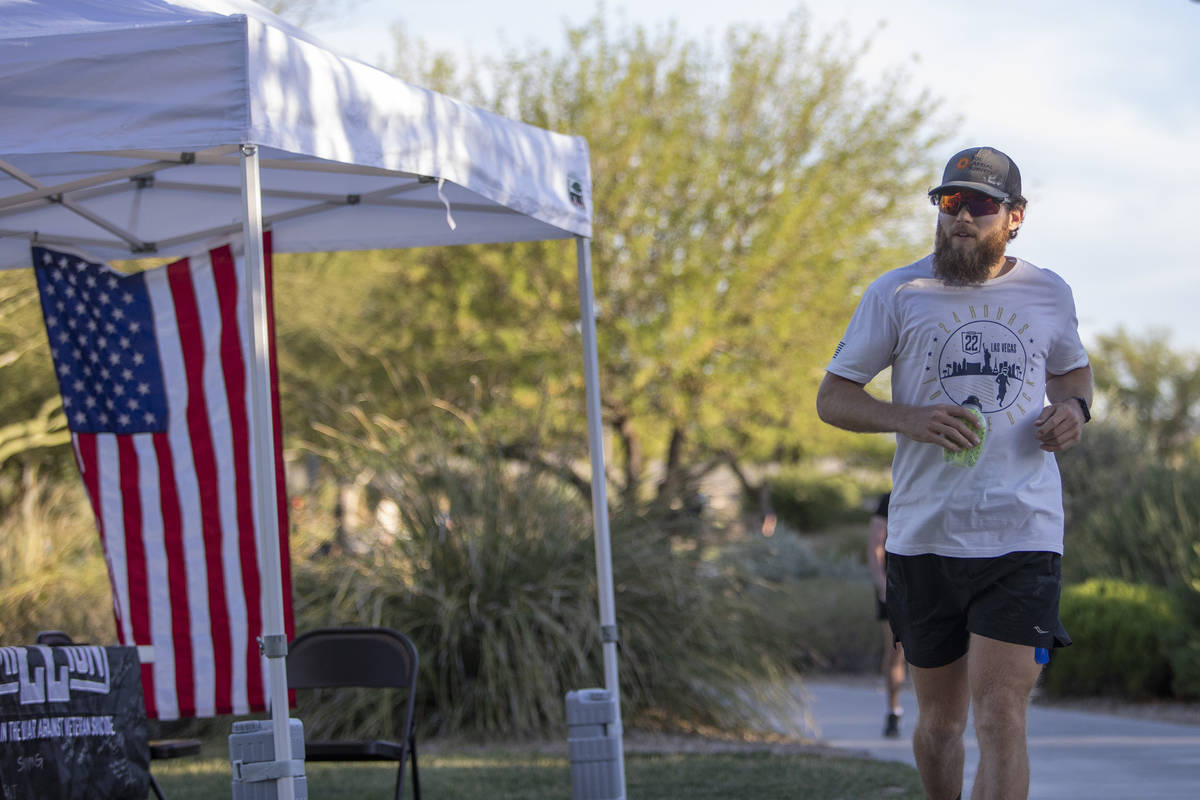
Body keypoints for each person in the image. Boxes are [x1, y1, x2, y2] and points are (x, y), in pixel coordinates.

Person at [815, 146, 1093, 800]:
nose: (961, 217)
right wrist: (907, 418)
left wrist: (1075, 410)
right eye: (949, 203)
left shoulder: (1048, 293)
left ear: (1015, 217)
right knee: (942, 724)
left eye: (979, 205)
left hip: (1022, 532)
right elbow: (833, 397)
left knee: (1002, 713)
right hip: (926, 536)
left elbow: (1073, 372)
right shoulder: (898, 293)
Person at [867, 490, 906, 738]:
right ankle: (893, 711)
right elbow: (875, 545)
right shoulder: (890, 498)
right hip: (894, 585)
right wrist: (882, 584)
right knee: (895, 653)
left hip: (932, 584)